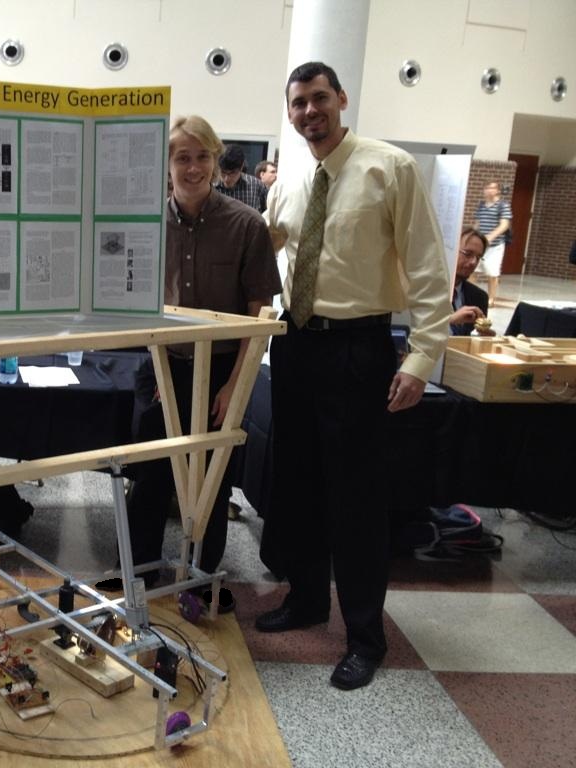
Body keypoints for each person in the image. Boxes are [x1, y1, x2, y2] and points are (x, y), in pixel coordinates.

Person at [257, 62, 452, 690]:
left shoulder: (389, 168)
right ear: (290, 113)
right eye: (298, 103)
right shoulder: (290, 180)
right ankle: (307, 599)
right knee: (299, 483)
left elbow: (427, 266)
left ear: (341, 99)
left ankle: (366, 636)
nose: (310, 111)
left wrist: (421, 357)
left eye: (320, 98)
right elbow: (270, 252)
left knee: (358, 497)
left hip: (357, 350)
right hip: (294, 345)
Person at [98, 116, 280, 613]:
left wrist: (236, 386)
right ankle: (135, 571)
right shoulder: (147, 225)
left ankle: (200, 579)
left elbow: (259, 314)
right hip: (163, 364)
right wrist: (156, 364)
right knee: (149, 473)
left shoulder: (247, 225)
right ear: (167, 164)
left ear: (216, 160)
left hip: (221, 371)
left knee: (210, 478)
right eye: (182, 157)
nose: (193, 167)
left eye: (202, 157)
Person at [473, 181, 512, 307]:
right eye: (486, 188)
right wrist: (473, 236)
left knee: (492, 273)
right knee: (473, 270)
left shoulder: (503, 206)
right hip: (480, 244)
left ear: (497, 190)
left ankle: (491, 299)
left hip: (495, 246)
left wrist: (491, 236)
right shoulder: (481, 206)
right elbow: (477, 224)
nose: (488, 190)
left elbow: (504, 225)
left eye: (491, 188)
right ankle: (472, 296)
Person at [450, 227, 494, 336]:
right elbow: (414, 329)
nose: (473, 262)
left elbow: (474, 337)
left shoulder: (479, 297)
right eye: (467, 254)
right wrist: (450, 320)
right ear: (451, 250)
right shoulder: (425, 289)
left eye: (478, 257)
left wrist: (486, 337)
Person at [216, 143, 268, 213]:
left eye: (233, 173)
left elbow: (266, 214)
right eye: (223, 172)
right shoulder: (210, 186)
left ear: (241, 167)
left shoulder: (257, 186)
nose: (226, 179)